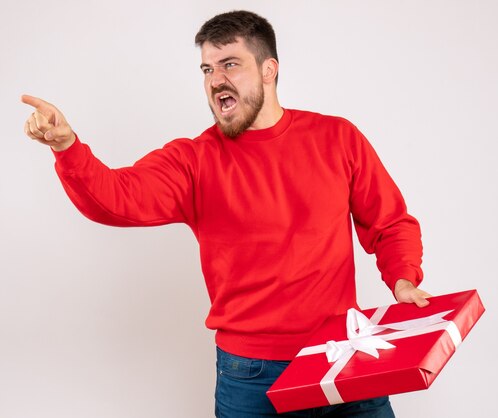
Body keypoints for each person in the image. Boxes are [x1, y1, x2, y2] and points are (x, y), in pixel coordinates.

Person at [22, 10, 431, 418]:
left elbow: (389, 222)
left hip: (343, 358)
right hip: (252, 376)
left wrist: (403, 277)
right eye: (207, 69)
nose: (216, 80)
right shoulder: (194, 160)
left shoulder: (338, 138)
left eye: (230, 64)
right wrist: (68, 148)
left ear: (269, 70)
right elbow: (115, 198)